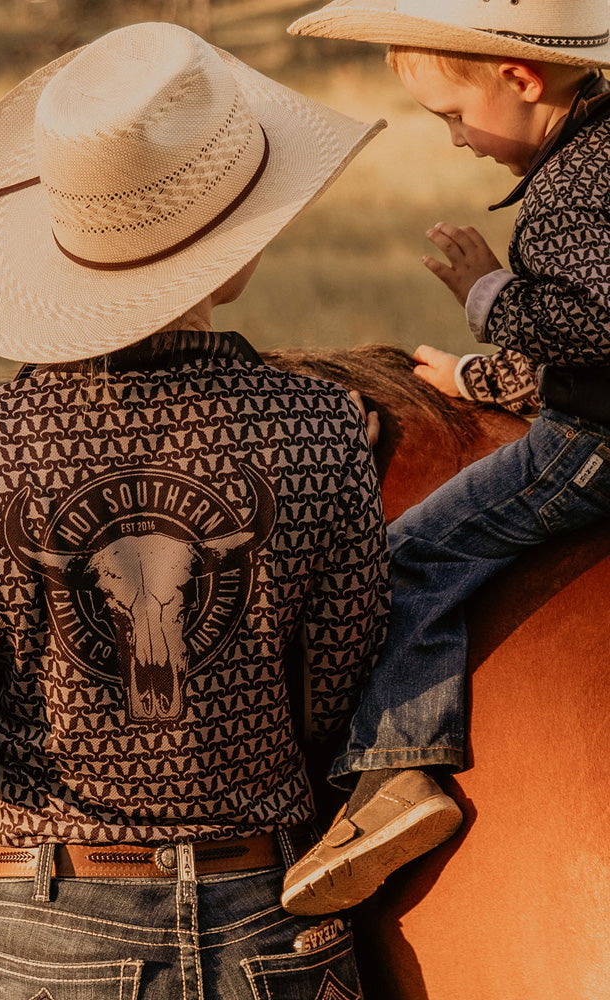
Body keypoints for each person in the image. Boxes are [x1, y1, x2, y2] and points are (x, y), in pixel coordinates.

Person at [0, 21, 389, 999]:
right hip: (273, 909)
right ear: (234, 252)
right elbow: (342, 679)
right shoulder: (322, 428)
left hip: (45, 925)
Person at [280, 0, 610, 916]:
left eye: (453, 116)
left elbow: (597, 324)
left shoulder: (573, 187)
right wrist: (485, 375)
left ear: (521, 78)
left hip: (594, 445)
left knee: (411, 555)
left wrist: (488, 296)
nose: (458, 140)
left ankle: (398, 774)